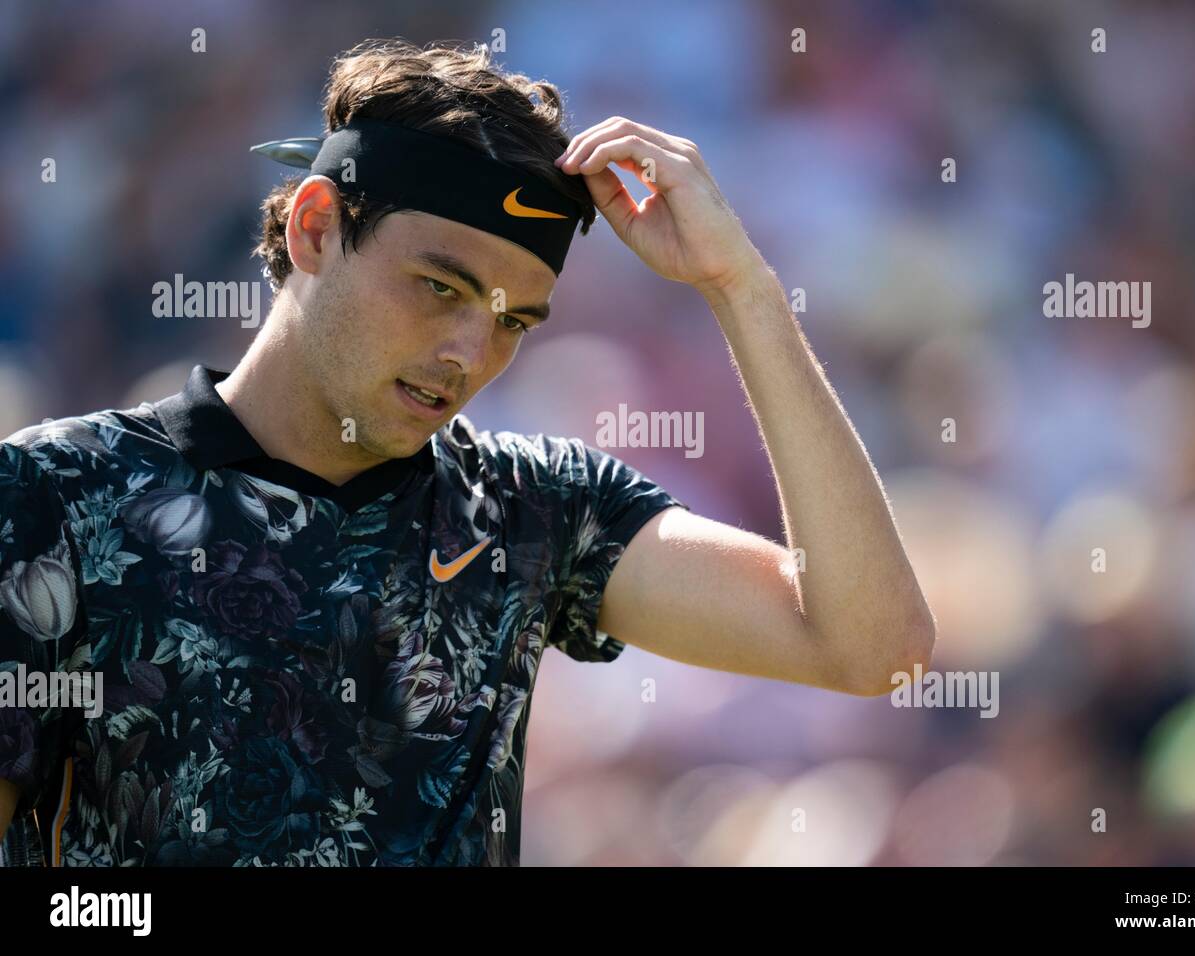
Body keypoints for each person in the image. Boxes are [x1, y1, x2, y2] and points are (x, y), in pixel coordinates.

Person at [0, 38, 933, 866]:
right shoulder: (52, 495)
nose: (469, 353)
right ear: (316, 227)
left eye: (513, 321)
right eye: (439, 287)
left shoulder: (536, 510)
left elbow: (871, 649)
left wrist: (741, 286)